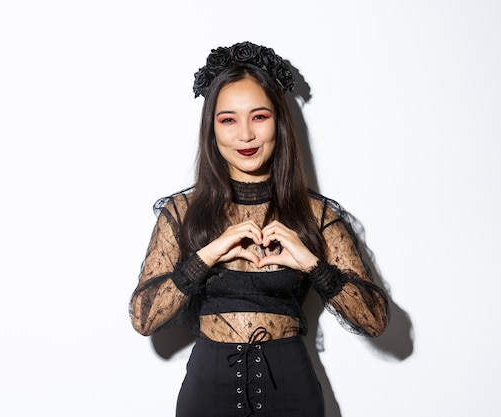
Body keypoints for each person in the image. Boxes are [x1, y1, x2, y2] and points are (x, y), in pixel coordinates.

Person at [129, 41, 390, 417]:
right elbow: (144, 317)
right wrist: (207, 255)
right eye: (228, 119)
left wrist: (312, 265)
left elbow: (375, 320)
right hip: (208, 394)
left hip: (292, 393)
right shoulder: (182, 212)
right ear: (212, 129)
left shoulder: (315, 214)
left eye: (259, 116)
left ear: (279, 122)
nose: (246, 135)